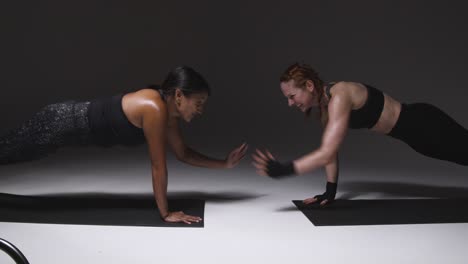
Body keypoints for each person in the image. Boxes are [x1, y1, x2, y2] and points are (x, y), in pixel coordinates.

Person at [0, 66, 248, 224]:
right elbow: (158, 167)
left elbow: (183, 154)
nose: (201, 110)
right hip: (59, 122)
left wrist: (224, 164)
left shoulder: (167, 113)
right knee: (9, 151)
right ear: (179, 96)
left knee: (9, 151)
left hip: (63, 130)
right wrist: (166, 213)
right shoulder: (154, 109)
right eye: (200, 102)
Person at [252, 62, 468, 206]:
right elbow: (331, 151)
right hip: (416, 138)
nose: (290, 103)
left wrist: (285, 169)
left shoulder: (340, 95)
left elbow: (326, 153)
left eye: (291, 96)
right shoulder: (326, 107)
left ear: (308, 85)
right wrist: (330, 191)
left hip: (425, 123)